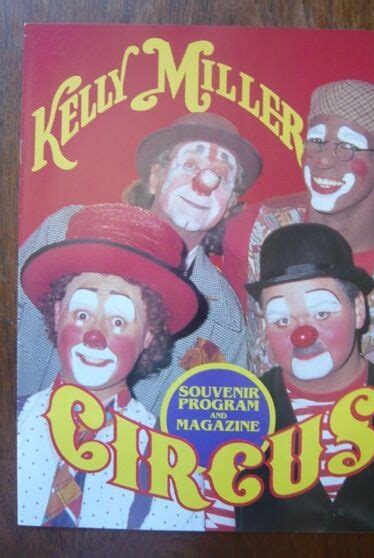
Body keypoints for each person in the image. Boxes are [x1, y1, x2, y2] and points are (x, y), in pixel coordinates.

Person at [17, 112, 262, 415]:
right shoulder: (63, 232)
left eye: (221, 176)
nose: (204, 184)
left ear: (230, 204)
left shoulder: (225, 322)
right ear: (155, 177)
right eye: (189, 165)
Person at [18, 203, 205, 530]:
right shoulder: (13, 424)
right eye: (82, 314)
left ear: (149, 334)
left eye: (118, 321)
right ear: (58, 314)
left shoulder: (172, 466)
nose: (95, 335)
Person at [222, 80, 374, 377]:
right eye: (316, 141)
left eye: (348, 147)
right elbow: (229, 338)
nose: (323, 160)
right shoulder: (252, 228)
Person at [236, 223, 374, 532]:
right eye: (282, 320)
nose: (302, 335)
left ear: (358, 310)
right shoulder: (242, 410)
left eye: (322, 313)